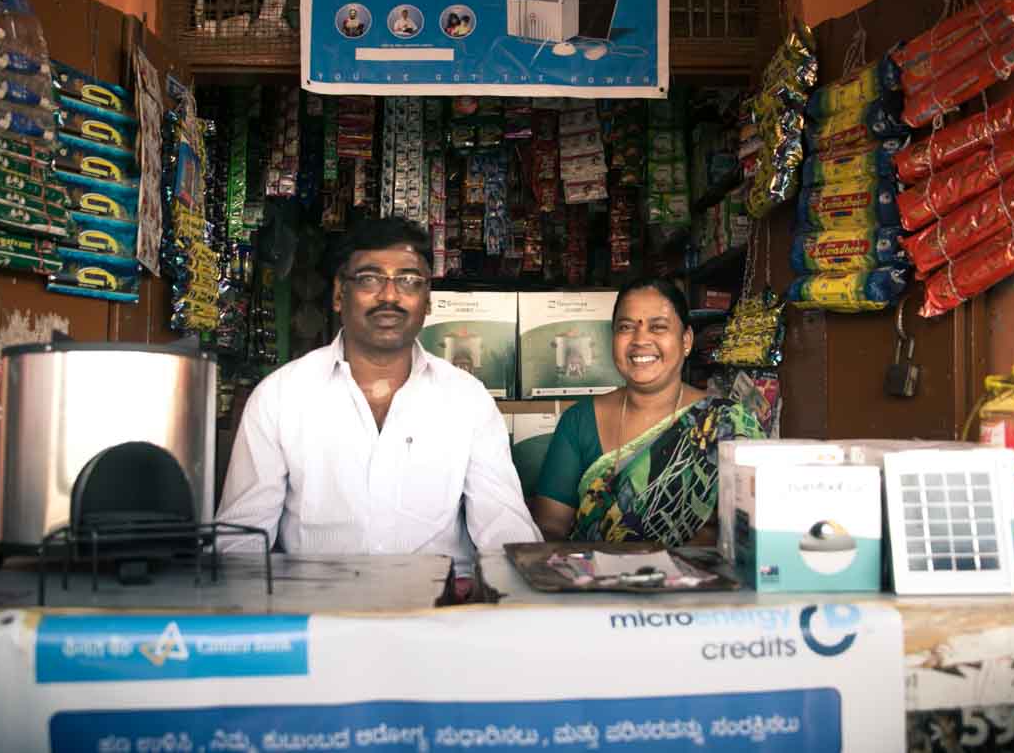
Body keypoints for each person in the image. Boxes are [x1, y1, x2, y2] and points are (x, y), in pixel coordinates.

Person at [217, 217, 540, 555]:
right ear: (339, 294)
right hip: (319, 587)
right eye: (369, 278)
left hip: (437, 589)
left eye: (409, 280)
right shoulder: (281, 396)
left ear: (427, 301)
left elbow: (505, 530)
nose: (389, 296)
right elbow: (239, 541)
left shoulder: (467, 399)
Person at [530, 277, 762, 545]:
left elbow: (755, 532)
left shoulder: (727, 424)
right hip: (594, 572)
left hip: (695, 573)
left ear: (686, 340)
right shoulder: (579, 421)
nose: (640, 340)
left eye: (658, 327)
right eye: (626, 327)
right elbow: (550, 528)